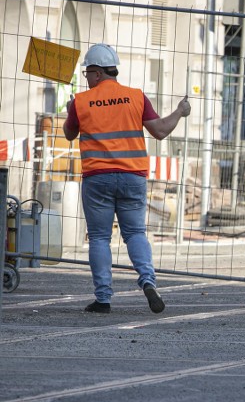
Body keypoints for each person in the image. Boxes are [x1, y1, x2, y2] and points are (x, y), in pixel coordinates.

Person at [63, 43, 191, 314]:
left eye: (88, 72)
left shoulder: (81, 102)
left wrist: (69, 111)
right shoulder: (136, 96)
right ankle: (147, 281)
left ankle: (104, 298)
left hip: (98, 178)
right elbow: (160, 131)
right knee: (135, 234)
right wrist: (180, 111)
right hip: (133, 177)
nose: (86, 78)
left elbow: (69, 134)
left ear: (97, 73)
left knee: (99, 238)